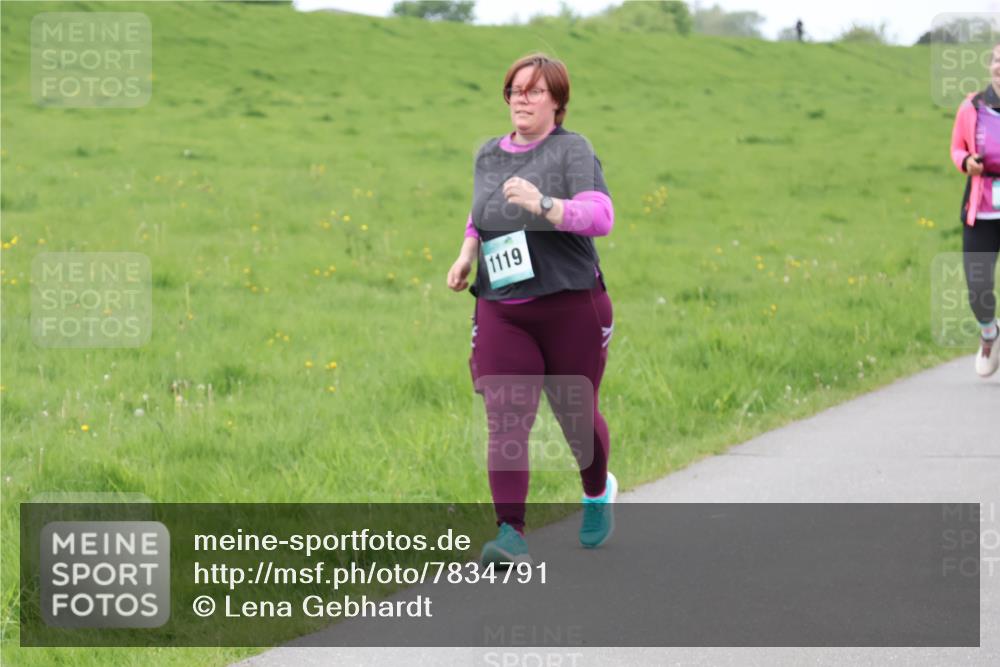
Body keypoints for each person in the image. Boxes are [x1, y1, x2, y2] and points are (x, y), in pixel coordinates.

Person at [446, 53, 618, 566]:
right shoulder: (488, 154)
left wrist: (546, 204)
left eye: (534, 90)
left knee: (575, 415)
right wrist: (466, 254)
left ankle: (595, 490)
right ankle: (510, 534)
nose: (521, 98)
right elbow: (481, 215)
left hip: (570, 304)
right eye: (514, 90)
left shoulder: (573, 151)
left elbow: (602, 217)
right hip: (503, 305)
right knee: (506, 418)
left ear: (557, 101)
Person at [950, 42, 1000, 378]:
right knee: (978, 287)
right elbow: (956, 148)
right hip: (981, 211)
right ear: (989, 66)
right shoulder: (972, 106)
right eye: (998, 60)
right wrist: (966, 161)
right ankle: (989, 333)